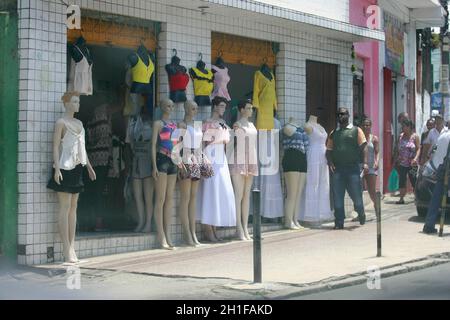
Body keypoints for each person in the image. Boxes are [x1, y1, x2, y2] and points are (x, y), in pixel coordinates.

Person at [47, 92, 96, 263]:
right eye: (74, 101)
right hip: (64, 167)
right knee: (65, 207)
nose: (78, 104)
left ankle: (72, 247)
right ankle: (66, 249)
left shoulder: (80, 123)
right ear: (66, 103)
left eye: (78, 101)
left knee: (74, 207)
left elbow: (82, 147)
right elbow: (55, 146)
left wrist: (89, 167)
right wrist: (57, 169)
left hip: (77, 167)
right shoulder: (61, 122)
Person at [197, 96, 236, 242]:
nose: (223, 109)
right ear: (214, 106)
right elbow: (201, 142)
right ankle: (208, 230)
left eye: (224, 106)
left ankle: (214, 228)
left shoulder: (223, 123)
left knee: (221, 191)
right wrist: (202, 158)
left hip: (221, 157)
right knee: (210, 190)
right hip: (210, 154)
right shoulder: (207, 123)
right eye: (220, 106)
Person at [326, 107, 367, 230]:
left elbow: (364, 146)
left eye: (342, 114)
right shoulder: (334, 133)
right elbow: (328, 151)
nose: (340, 116)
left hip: (352, 170)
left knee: (357, 198)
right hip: (338, 170)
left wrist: (364, 162)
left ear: (348, 115)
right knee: (338, 198)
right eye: (338, 114)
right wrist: (330, 163)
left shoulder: (356, 130)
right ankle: (339, 222)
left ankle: (361, 212)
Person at [229, 99, 258, 240]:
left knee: (247, 195)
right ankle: (238, 227)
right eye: (248, 108)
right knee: (238, 195)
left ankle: (245, 227)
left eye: (251, 108)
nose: (250, 110)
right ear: (241, 110)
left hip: (251, 159)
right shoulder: (237, 124)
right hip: (239, 158)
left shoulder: (252, 124)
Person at [152, 98, 178, 249]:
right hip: (161, 159)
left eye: (172, 105)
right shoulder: (158, 124)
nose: (170, 107)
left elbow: (177, 144)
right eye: (167, 105)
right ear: (161, 107)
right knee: (160, 198)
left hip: (173, 160)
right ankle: (160, 235)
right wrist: (154, 166)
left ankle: (168, 234)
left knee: (169, 198)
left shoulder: (174, 125)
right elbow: (153, 145)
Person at [177, 100, 203, 246]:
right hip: (185, 160)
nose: (195, 111)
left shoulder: (197, 125)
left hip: (196, 160)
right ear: (186, 109)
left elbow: (200, 146)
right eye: (192, 108)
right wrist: (179, 163)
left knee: (194, 197)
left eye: (196, 108)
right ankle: (187, 234)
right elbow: (176, 146)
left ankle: (193, 233)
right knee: (185, 197)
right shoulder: (181, 125)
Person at [301, 115, 333, 225]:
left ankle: (321, 213)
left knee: (323, 183)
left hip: (323, 155)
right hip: (313, 154)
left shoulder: (320, 126)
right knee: (312, 182)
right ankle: (311, 215)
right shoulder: (307, 126)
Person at [126, 105, 154, 233]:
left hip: (147, 162)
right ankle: (141, 221)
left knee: (148, 196)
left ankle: (148, 223)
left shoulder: (153, 125)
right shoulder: (132, 123)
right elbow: (129, 143)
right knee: (137, 195)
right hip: (136, 161)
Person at [282, 117, 309, 229]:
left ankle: (295, 219)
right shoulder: (287, 127)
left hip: (302, 157)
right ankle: (288, 221)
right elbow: (290, 133)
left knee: (298, 193)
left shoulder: (301, 128)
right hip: (291, 156)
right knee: (292, 193)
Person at [422, 130, 450, 234]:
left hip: (442, 170)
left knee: (436, 199)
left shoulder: (443, 136)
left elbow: (437, 154)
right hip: (446, 170)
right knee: (436, 198)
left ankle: (429, 225)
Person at [393, 119, 420, 204]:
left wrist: (415, 158)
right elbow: (396, 147)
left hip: (412, 163)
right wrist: (396, 158)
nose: (402, 128)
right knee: (402, 180)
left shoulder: (415, 137)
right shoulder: (400, 136)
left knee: (413, 179)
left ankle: (417, 197)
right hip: (402, 163)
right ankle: (401, 198)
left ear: (409, 127)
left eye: (404, 126)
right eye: (402, 126)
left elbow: (418, 148)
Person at [361, 118, 380, 211]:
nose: (366, 126)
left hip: (371, 166)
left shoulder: (374, 138)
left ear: (371, 126)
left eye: (368, 125)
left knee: (371, 190)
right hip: (360, 166)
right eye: (364, 124)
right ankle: (360, 211)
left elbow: (377, 152)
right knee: (357, 190)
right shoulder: (359, 137)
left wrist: (377, 161)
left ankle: (376, 204)